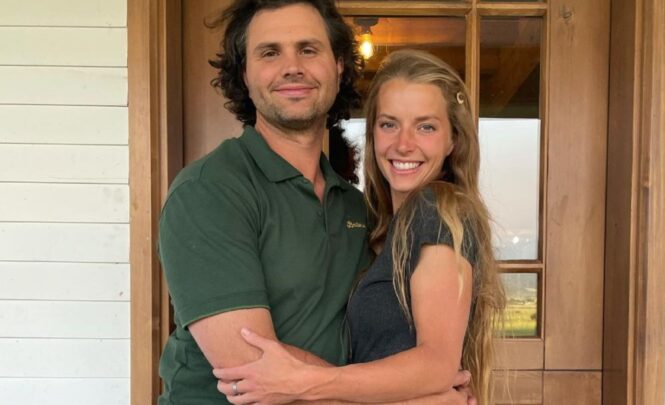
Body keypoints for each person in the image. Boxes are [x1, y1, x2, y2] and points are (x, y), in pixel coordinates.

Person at [157, 0, 472, 403]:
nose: (292, 66)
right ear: (244, 73)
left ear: (339, 65)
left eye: (308, 49)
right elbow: (255, 368)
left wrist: (422, 378)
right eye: (270, 52)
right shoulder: (209, 192)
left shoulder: (357, 207)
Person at [214, 50, 506, 405]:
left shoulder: (436, 209)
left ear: (453, 140)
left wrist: (302, 382)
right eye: (389, 124)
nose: (403, 143)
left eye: (426, 126)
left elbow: (436, 366)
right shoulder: (383, 225)